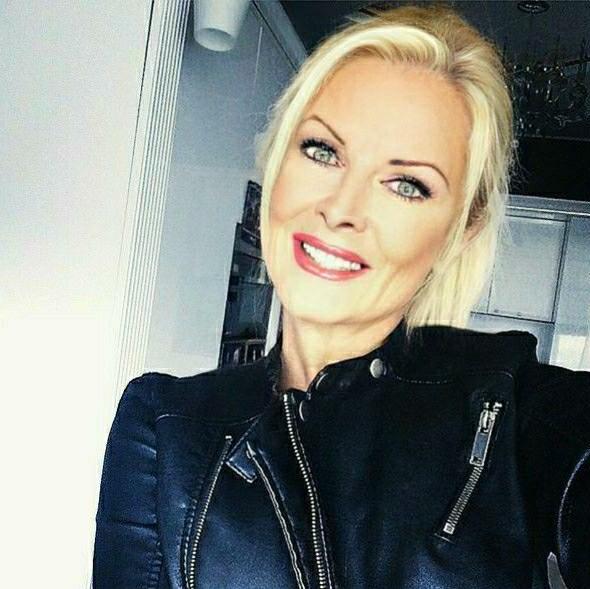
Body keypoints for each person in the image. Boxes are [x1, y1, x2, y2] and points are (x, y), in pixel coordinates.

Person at [92, 4, 590, 589]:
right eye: (323, 151)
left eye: (407, 184)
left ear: (460, 229)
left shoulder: (515, 408)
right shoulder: (165, 424)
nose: (341, 209)